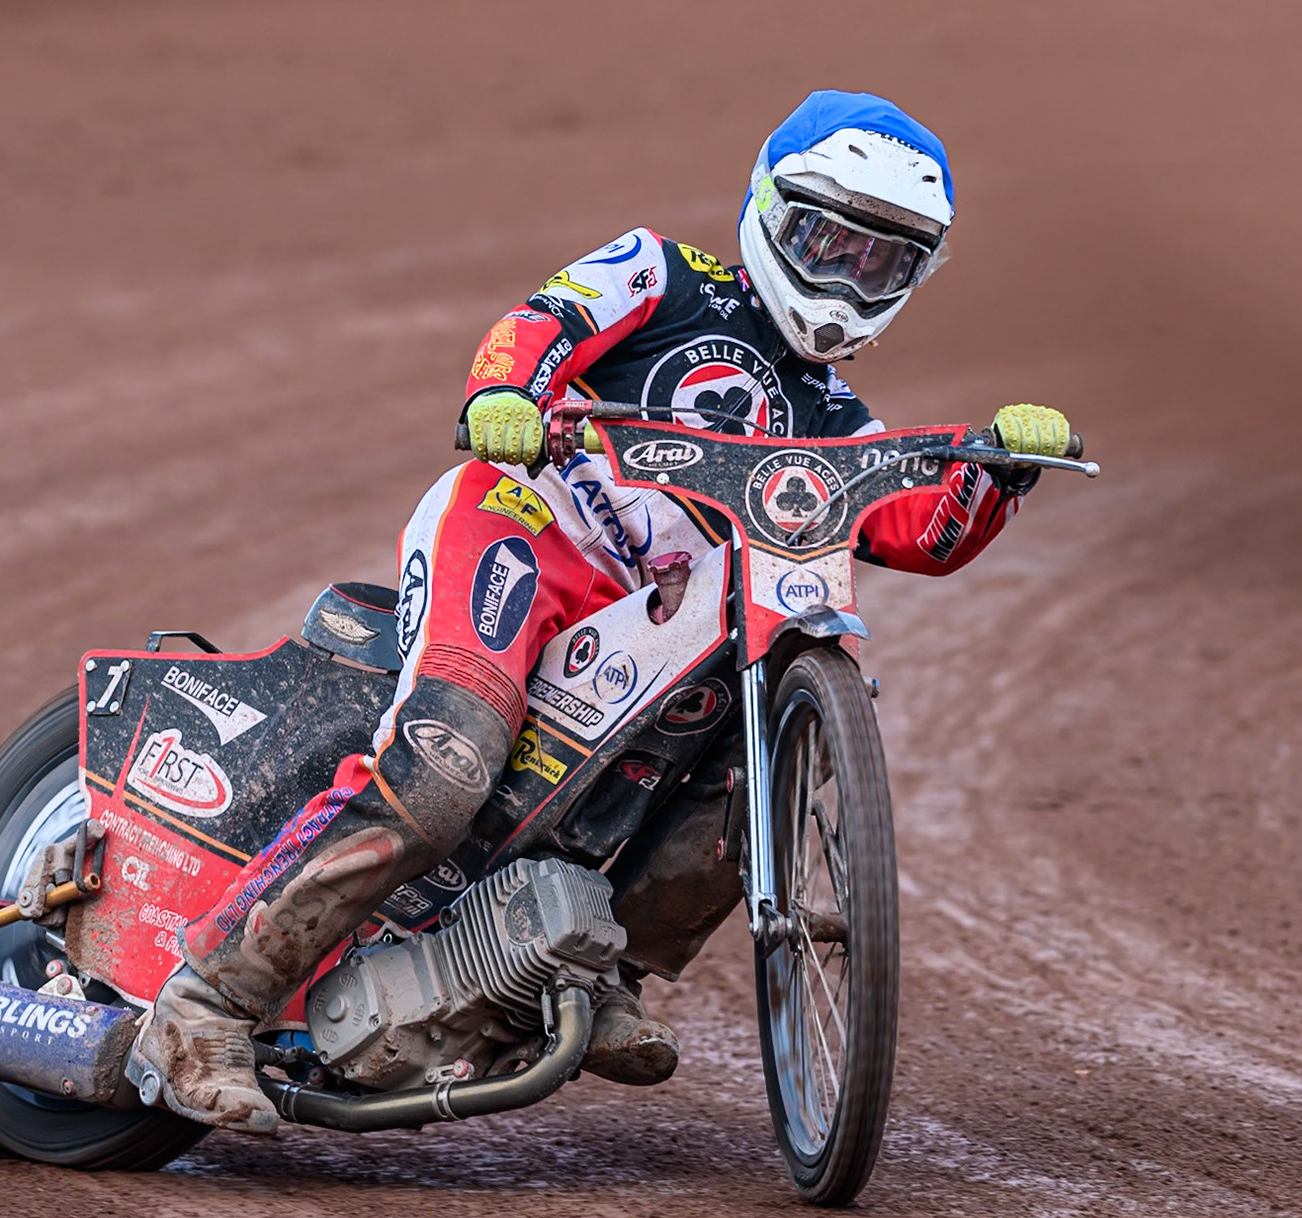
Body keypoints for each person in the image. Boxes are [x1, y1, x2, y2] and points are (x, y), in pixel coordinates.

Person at [127, 89, 1074, 1134]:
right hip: (523, 529)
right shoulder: (662, 272)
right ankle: (208, 1000)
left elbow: (913, 529)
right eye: (825, 239)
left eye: (881, 261)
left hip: (646, 620)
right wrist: (509, 393)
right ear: (769, 208)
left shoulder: (839, 418)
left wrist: (997, 470)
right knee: (443, 766)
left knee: (752, 768)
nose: (847, 277)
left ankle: (598, 961)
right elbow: (544, 320)